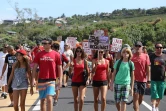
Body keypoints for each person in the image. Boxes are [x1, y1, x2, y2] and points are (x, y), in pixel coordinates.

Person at [32, 38, 62, 111]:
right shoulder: (39, 54)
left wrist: (60, 80)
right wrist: (33, 79)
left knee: (49, 98)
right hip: (41, 79)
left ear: (50, 44)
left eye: (46, 43)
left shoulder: (56, 54)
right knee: (43, 100)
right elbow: (34, 67)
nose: (44, 45)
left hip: (51, 79)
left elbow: (59, 67)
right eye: (43, 43)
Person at [131, 41, 151, 111]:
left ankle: (136, 107)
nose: (138, 47)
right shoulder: (131, 56)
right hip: (134, 80)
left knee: (141, 99)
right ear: (134, 47)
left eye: (139, 46)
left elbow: (148, 69)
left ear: (142, 47)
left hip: (143, 80)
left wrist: (149, 80)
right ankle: (136, 109)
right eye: (136, 46)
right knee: (136, 96)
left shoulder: (146, 56)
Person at [69, 47, 89, 111]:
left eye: (80, 51)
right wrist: (70, 67)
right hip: (74, 80)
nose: (79, 53)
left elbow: (88, 71)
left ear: (82, 52)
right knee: (75, 99)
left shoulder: (84, 61)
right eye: (77, 51)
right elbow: (69, 73)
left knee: (81, 99)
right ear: (76, 52)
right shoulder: (73, 60)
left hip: (82, 81)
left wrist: (88, 79)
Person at [149, 43, 166, 111]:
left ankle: (156, 107)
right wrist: (148, 78)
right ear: (155, 48)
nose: (159, 49)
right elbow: (148, 66)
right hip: (153, 79)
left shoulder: (165, 56)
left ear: (162, 48)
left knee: (160, 95)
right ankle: (153, 107)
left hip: (162, 79)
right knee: (154, 93)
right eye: (157, 47)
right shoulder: (151, 56)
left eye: (160, 47)